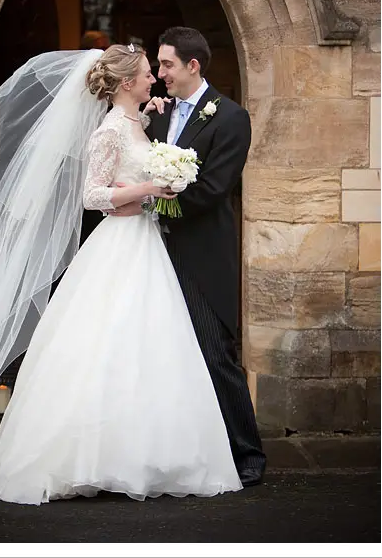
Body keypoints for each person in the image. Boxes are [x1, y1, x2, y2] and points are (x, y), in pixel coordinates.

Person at [0, 44, 242, 504]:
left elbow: (134, 169)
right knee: (106, 343)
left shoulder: (138, 122)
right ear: (127, 82)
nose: (154, 80)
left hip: (147, 244)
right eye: (147, 74)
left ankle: (143, 453)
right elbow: (91, 195)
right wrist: (148, 187)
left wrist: (149, 162)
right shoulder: (108, 130)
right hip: (119, 245)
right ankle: (88, 457)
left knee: (150, 343)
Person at [110, 28, 266, 487]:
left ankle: (247, 453)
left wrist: (149, 203)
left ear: (192, 65)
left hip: (201, 255)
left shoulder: (231, 118)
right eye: (158, 66)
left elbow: (214, 189)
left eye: (167, 65)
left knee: (215, 352)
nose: (160, 74)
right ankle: (177, 453)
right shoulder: (155, 115)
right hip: (150, 253)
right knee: (158, 354)